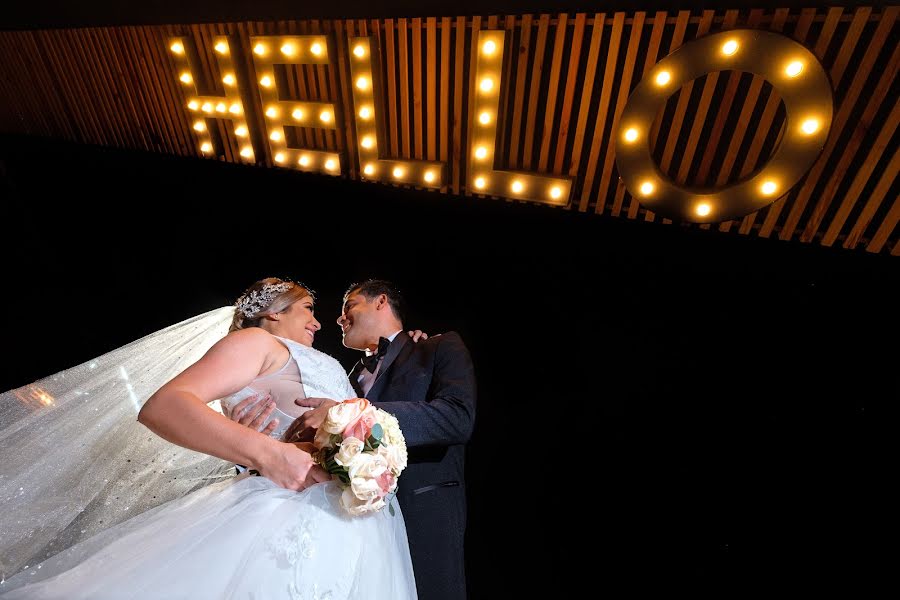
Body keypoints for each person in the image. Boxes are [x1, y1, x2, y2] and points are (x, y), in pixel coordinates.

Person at [0, 278, 417, 599]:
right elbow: (165, 406)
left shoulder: (313, 361)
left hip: (348, 525)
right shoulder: (258, 342)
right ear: (273, 312)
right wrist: (270, 454)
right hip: (285, 517)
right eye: (308, 308)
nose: (318, 321)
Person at [286, 280, 476, 600]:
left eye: (349, 306)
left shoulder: (437, 346)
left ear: (380, 302)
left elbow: (456, 418)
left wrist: (355, 411)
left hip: (422, 515)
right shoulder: (345, 378)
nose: (340, 318)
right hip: (356, 528)